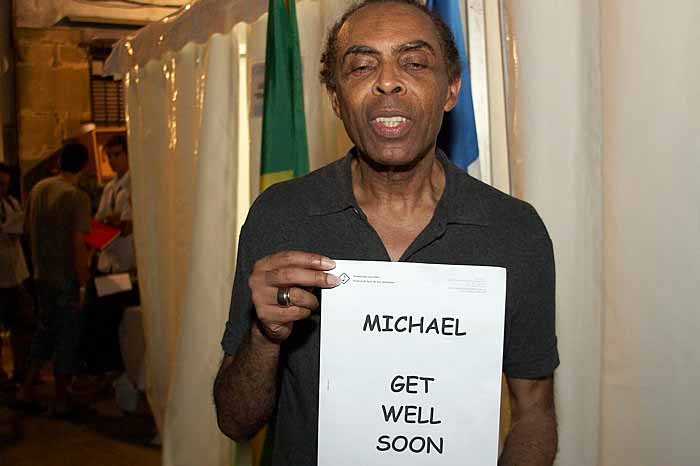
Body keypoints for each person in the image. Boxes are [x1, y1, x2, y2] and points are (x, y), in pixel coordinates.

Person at [214, 1, 559, 465]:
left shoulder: (514, 231)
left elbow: (534, 413)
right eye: (361, 66)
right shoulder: (281, 216)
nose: (388, 81)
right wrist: (265, 335)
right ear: (335, 98)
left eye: (414, 63)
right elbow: (235, 422)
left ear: (451, 89)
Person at [17, 143, 91, 415]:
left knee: (44, 332)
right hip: (66, 277)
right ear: (85, 166)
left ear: (59, 162)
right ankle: (61, 399)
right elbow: (78, 244)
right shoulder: (77, 197)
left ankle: (26, 389)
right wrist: (83, 283)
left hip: (41, 274)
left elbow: (26, 230)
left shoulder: (39, 189)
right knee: (66, 337)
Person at [77, 134, 138, 385]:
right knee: (95, 312)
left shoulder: (135, 184)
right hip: (107, 262)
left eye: (117, 155)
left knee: (106, 315)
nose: (113, 161)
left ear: (128, 154)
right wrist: (109, 222)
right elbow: (98, 223)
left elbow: (127, 225)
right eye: (109, 156)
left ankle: (109, 370)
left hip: (126, 267)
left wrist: (113, 223)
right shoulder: (110, 187)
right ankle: (100, 369)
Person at [0, 163, 30, 385]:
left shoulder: (11, 202)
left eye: (5, 184)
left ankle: (21, 369)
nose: (3, 188)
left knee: (21, 323)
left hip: (15, 273)